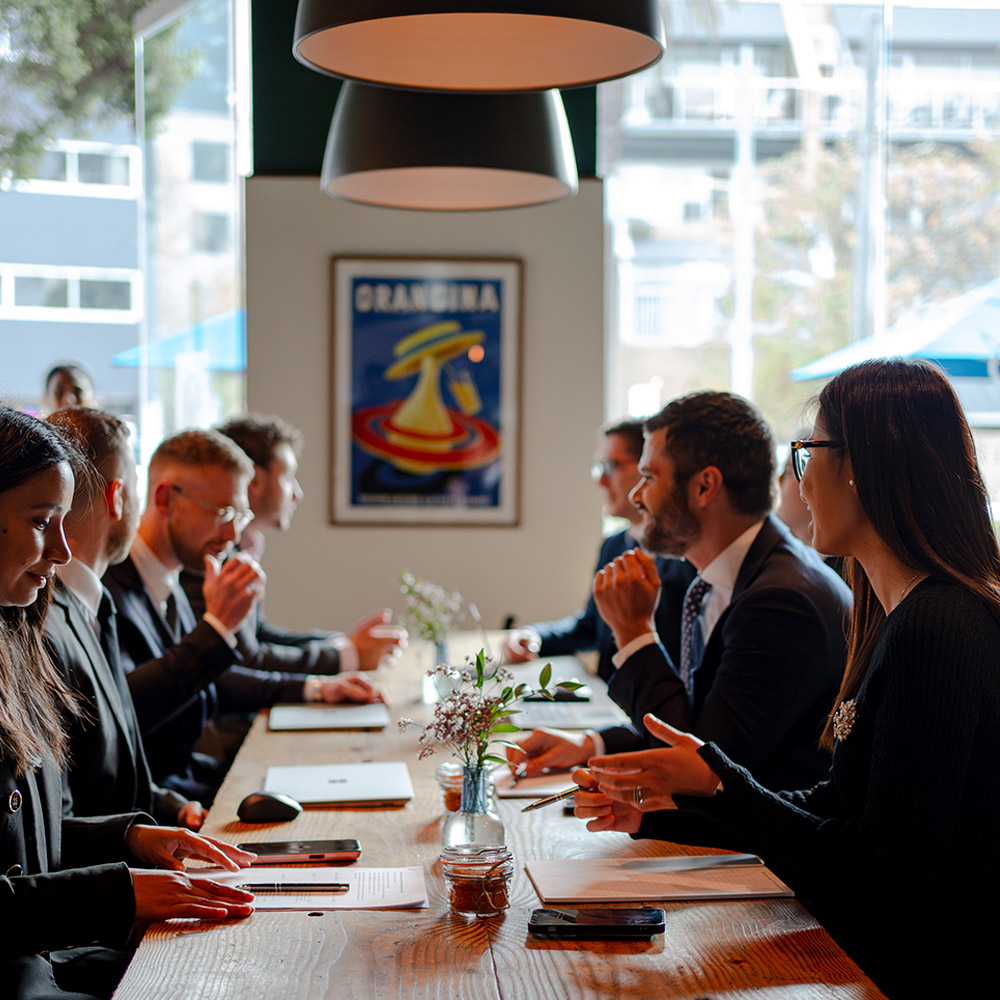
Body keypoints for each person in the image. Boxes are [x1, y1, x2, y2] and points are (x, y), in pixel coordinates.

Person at [574, 360, 1000, 998]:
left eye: (808, 452)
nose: (795, 481)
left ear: (861, 467)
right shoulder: (896, 615)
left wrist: (721, 785)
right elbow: (836, 803)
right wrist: (670, 808)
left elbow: (880, 873)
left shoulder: (937, 626)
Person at [0, 405, 255, 1000]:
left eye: (64, 521)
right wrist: (123, 889)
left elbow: (30, 837)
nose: (63, 551)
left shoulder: (16, 637)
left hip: (46, 958)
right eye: (42, 522)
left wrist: (131, 839)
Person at [510, 391, 851, 801]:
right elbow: (701, 723)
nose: (638, 496)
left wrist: (633, 632)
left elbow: (702, 760)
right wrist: (591, 745)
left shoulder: (780, 599)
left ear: (705, 486)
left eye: (650, 478)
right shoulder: (730, 575)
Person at [103, 429, 380, 802]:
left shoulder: (173, 575)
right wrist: (217, 629)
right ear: (165, 498)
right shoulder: (113, 588)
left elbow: (209, 683)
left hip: (189, 787)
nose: (233, 533)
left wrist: (316, 689)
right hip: (155, 810)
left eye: (240, 514)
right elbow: (122, 713)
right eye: (223, 513)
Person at [44, 407, 205, 828]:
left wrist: (173, 807)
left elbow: (106, 766)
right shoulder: (45, 622)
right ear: (117, 497)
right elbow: (53, 814)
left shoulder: (92, 602)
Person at [180, 413, 404, 676]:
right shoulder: (211, 554)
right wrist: (347, 655)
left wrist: (341, 644)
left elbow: (258, 634)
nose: (297, 494)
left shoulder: (243, 548)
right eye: (288, 478)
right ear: (253, 479)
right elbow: (245, 658)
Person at [504, 417, 695, 680]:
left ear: (647, 467)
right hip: (607, 701)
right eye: (599, 467)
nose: (601, 481)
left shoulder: (685, 557)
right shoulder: (614, 545)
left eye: (611, 466)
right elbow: (590, 627)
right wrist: (533, 636)